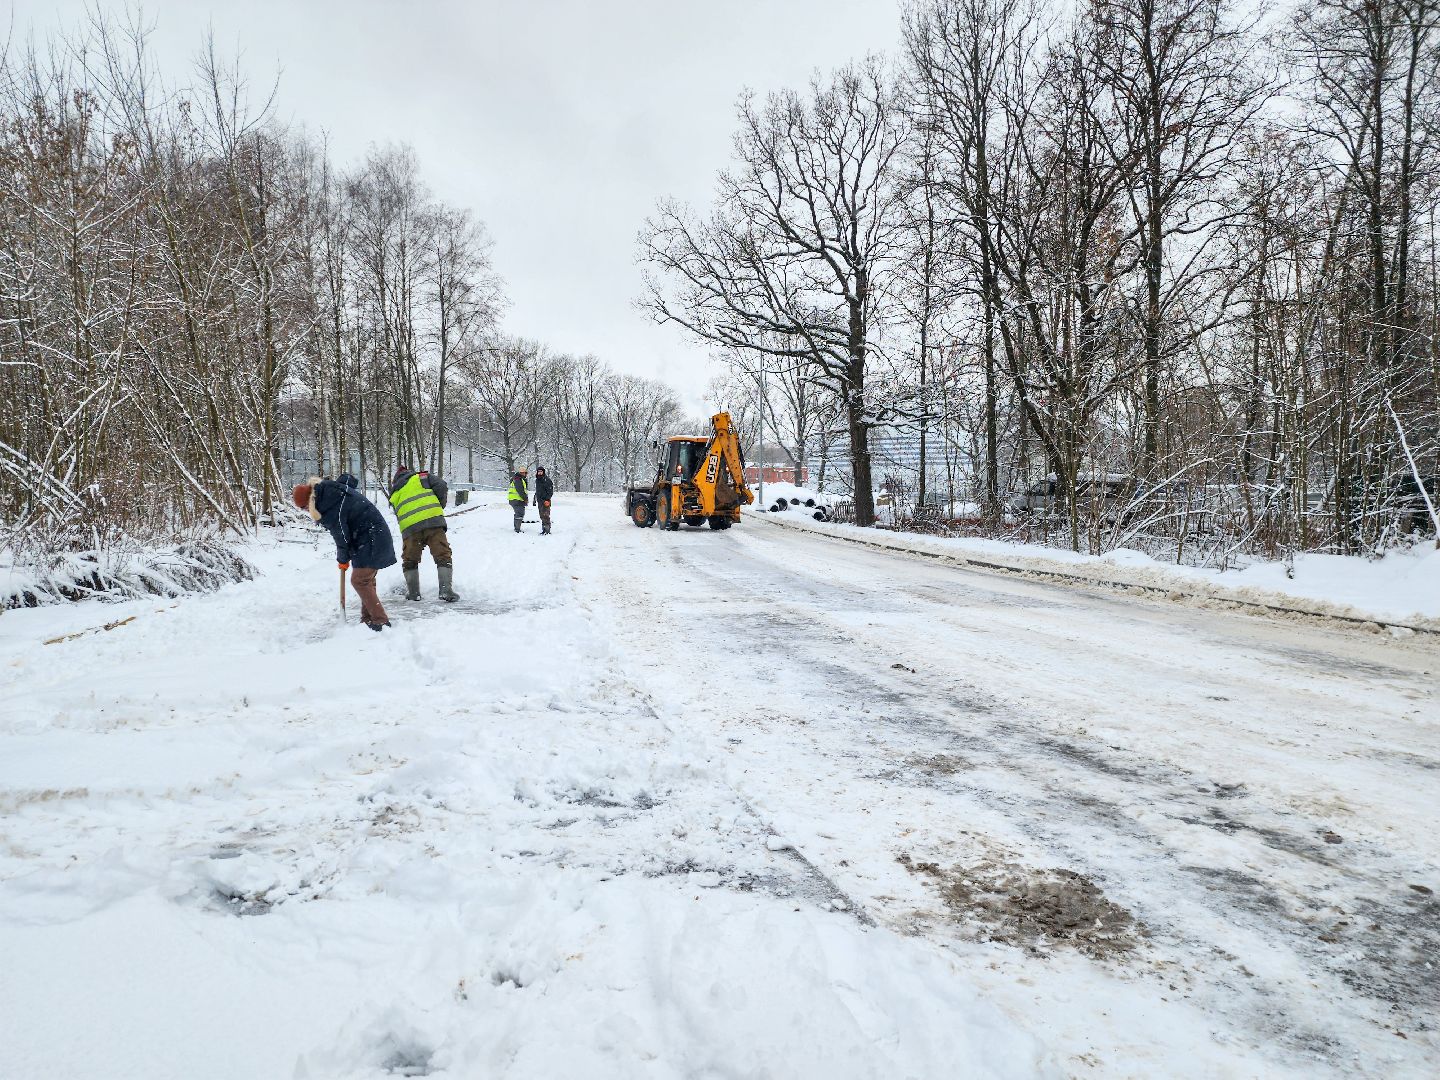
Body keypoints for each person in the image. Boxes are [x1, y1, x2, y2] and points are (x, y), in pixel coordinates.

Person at [294, 474, 396, 631]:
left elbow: (341, 535)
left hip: (371, 538)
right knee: (366, 580)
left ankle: (380, 620)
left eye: (304, 507)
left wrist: (342, 558)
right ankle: (368, 619)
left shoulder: (327, 503)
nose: (306, 511)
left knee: (360, 580)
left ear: (309, 500)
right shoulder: (329, 493)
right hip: (371, 535)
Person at [388, 465, 458, 602]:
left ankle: (414, 593)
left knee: (410, 560)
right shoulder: (421, 477)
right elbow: (442, 486)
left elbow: (399, 514)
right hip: (433, 521)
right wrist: (438, 505)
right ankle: (445, 590)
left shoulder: (394, 492)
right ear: (409, 473)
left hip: (410, 528)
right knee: (442, 554)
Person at [507, 467, 529, 533]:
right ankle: (517, 529)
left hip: (515, 499)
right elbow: (520, 490)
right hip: (516, 499)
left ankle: (517, 528)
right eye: (524, 473)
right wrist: (525, 499)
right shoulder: (518, 479)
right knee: (519, 513)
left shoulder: (517, 478)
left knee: (519, 513)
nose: (525, 474)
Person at [534, 465, 554, 535]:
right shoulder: (537, 480)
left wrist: (547, 499)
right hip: (540, 501)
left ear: (543, 472)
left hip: (545, 501)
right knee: (542, 516)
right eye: (538, 471)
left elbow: (550, 492)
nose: (539, 473)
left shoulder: (547, 480)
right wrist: (535, 498)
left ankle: (547, 530)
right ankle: (544, 530)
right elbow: (537, 491)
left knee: (546, 516)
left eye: (541, 471)